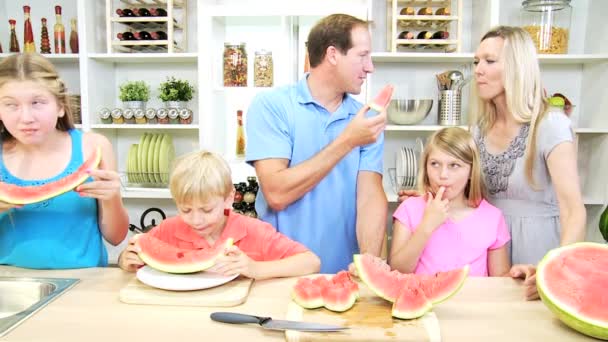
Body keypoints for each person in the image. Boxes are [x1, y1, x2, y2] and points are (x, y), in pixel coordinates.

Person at [399, 26, 586, 267]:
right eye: (477, 61)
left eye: (489, 61)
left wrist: (558, 269)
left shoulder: (550, 125)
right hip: (487, 251)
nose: (478, 70)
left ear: (518, 67)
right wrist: (432, 194)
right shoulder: (478, 130)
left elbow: (574, 212)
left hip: (538, 252)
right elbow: (471, 193)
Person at [245, 14, 387, 273]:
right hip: (281, 272)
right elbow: (276, 193)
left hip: (346, 272)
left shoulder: (367, 120)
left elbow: (369, 197)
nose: (370, 67)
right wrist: (347, 140)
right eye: (362, 55)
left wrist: (368, 261)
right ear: (333, 54)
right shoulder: (272, 106)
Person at [0, 53, 128, 268]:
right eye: (11, 105)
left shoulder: (94, 147)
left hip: (84, 284)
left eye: (37, 102)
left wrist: (112, 198)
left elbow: (116, 237)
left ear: (60, 106)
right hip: (10, 283)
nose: (26, 117)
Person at [118, 150, 321, 280]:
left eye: (207, 210)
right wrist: (125, 260)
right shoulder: (168, 229)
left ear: (228, 197)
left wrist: (256, 269)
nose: (196, 220)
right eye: (185, 210)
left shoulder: (254, 231)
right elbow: (133, 255)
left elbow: (311, 262)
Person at [390, 127, 537, 300]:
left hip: (473, 310)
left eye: (454, 165)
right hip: (421, 305)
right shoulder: (409, 210)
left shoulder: (492, 217)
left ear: (470, 171)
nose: (442, 175)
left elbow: (498, 281)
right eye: (435, 164)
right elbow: (397, 270)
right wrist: (426, 227)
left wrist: (517, 276)